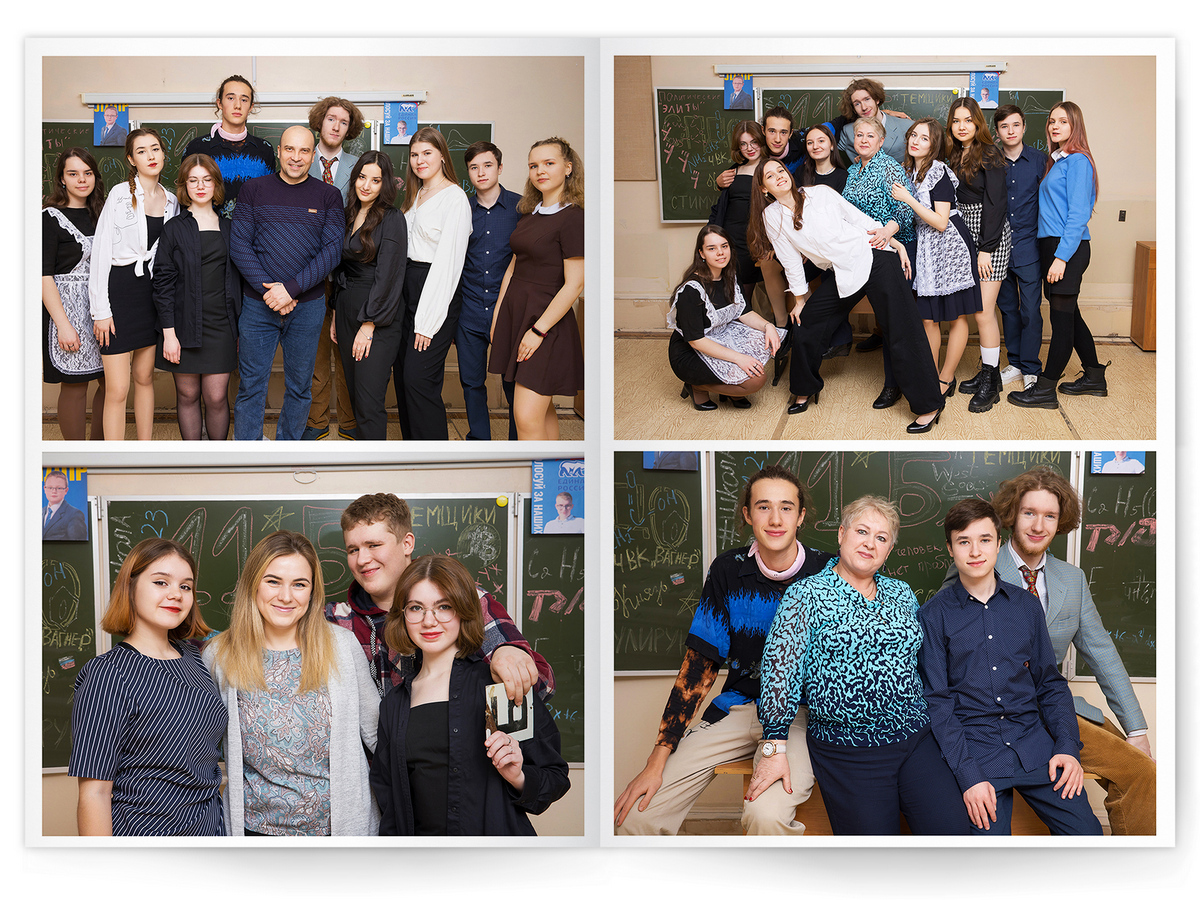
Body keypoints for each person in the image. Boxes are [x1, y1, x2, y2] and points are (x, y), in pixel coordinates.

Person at [615, 467, 833, 835]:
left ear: (801, 516)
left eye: (786, 507)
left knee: (766, 816)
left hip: (799, 717)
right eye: (763, 507)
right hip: (737, 709)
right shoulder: (727, 570)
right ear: (747, 514)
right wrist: (657, 758)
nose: (775, 519)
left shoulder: (829, 573)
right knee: (637, 816)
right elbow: (698, 668)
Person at [939, 466, 1156, 834]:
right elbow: (950, 634)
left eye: (1050, 515)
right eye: (1029, 512)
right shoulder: (978, 559)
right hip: (987, 722)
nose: (1038, 525)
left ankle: (1131, 862)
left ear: (1061, 521)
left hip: (1055, 711)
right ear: (1011, 514)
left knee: (1141, 770)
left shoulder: (1072, 580)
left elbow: (1102, 652)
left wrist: (1136, 727)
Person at [751, 495, 969, 835]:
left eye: (881, 538)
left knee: (952, 834)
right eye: (862, 531)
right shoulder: (806, 595)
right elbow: (780, 672)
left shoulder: (902, 593)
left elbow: (922, 662)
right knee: (873, 856)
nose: (870, 543)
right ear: (842, 534)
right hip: (849, 749)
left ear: (889, 550)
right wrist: (774, 746)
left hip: (915, 738)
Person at [919, 498, 1103, 835]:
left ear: (998, 543)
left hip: (1034, 747)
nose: (975, 551)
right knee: (988, 854)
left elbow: (1050, 684)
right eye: (964, 541)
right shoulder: (933, 616)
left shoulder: (1026, 607)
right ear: (950, 548)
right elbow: (938, 703)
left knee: (1088, 835)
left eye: (985, 539)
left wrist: (1066, 748)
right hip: (978, 755)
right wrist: (968, 776)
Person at [370, 555, 570, 835]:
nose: (429, 621)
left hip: (495, 856)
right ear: (403, 615)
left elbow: (555, 777)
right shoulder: (394, 705)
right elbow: (390, 801)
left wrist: (518, 776)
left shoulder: (498, 686)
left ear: (463, 610)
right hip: (421, 859)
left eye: (444, 607)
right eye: (416, 608)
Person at [747, 158, 943, 432]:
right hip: (843, 270)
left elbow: (857, 218)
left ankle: (929, 405)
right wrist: (800, 300)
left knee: (902, 329)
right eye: (770, 176)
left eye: (781, 170)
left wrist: (893, 242)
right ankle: (805, 389)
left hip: (874, 256)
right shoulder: (771, 216)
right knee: (806, 322)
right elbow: (790, 259)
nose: (779, 176)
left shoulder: (819, 193)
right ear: (763, 188)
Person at [203, 531, 378, 836]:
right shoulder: (220, 655)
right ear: (253, 584)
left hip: (340, 837)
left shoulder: (341, 646)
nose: (286, 596)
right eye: (273, 581)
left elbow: (378, 735)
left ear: (312, 592)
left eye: (299, 584)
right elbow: (198, 746)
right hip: (255, 836)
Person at [326, 492, 553, 702]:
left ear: (407, 544)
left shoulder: (462, 597)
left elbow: (543, 685)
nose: (362, 560)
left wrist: (508, 652)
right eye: (353, 550)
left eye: (374, 545)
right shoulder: (337, 621)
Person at [69, 538, 225, 835]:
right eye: (161, 582)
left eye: (185, 586)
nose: (175, 594)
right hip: (145, 840)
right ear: (130, 587)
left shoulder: (195, 658)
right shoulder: (107, 674)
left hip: (211, 835)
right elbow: (95, 793)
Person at [229, 125, 343, 441]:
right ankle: (249, 453)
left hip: (307, 308)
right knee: (251, 385)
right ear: (279, 152)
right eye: (289, 149)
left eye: (304, 150)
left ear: (313, 156)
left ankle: (287, 453)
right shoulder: (253, 190)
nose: (296, 157)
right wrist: (271, 291)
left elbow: (332, 251)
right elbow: (239, 245)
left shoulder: (329, 196)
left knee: (300, 386)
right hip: (258, 305)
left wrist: (290, 290)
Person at [1008, 102, 1107, 408]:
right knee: (1070, 315)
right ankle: (1094, 375)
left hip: (1067, 248)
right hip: (1051, 245)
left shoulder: (1078, 161)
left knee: (1061, 321)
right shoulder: (1058, 160)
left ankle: (1045, 389)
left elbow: (1078, 215)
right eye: (1052, 121)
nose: (1054, 126)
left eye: (1063, 121)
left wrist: (1061, 258)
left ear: (1075, 125)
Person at [487, 137, 585, 441]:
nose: (540, 170)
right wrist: (498, 317)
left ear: (568, 168)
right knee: (542, 411)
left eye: (549, 163)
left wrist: (538, 331)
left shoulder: (574, 217)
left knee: (526, 417)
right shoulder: (529, 213)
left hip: (546, 324)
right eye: (533, 165)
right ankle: (550, 467)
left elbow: (575, 284)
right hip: (517, 317)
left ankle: (537, 470)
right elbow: (513, 268)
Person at [90, 128, 178, 441]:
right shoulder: (118, 195)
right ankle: (114, 459)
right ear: (131, 159)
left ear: (163, 154)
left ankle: (144, 451)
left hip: (151, 295)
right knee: (117, 387)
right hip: (119, 293)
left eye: (155, 149)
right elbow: (100, 253)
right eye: (142, 151)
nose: (151, 156)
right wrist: (101, 310)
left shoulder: (172, 200)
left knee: (144, 377)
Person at [889, 119, 985, 407]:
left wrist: (909, 199)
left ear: (934, 145)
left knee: (956, 316)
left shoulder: (939, 172)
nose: (915, 141)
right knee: (928, 318)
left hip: (950, 246)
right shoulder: (909, 171)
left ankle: (946, 376)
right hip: (927, 249)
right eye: (913, 135)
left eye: (924, 138)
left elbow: (941, 222)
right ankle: (930, 375)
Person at [151, 154, 239, 440]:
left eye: (206, 180)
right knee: (187, 395)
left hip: (221, 326)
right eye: (193, 180)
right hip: (182, 325)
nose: (200, 186)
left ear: (216, 185)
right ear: (184, 186)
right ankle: (193, 457)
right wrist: (169, 334)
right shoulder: (174, 228)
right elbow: (163, 283)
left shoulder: (230, 227)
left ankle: (217, 459)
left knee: (216, 397)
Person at [396, 127, 472, 441]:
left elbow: (448, 265)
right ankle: (411, 453)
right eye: (414, 154)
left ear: (442, 155)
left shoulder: (454, 198)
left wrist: (427, 323)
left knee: (418, 379)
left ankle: (435, 455)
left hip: (435, 291)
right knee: (402, 378)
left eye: (427, 153)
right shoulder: (415, 194)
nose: (419, 160)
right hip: (407, 290)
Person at [329, 151, 407, 441]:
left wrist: (369, 323)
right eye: (362, 177)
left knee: (369, 400)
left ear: (385, 184)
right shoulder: (348, 214)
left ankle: (376, 465)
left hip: (376, 316)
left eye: (375, 180)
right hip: (346, 307)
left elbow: (390, 275)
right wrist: (335, 313)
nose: (366, 185)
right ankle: (363, 460)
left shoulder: (392, 218)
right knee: (355, 396)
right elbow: (339, 268)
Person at [839, 115, 916, 405]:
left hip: (894, 248)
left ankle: (894, 384)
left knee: (894, 321)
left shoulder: (889, 167)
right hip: (865, 250)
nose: (863, 140)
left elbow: (906, 209)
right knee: (882, 318)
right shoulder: (853, 170)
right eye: (859, 135)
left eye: (870, 136)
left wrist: (887, 232)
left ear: (881, 141)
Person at [666, 224, 782, 410]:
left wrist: (769, 326)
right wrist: (739, 358)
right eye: (712, 248)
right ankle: (697, 386)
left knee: (765, 337)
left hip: (722, 338)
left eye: (724, 246)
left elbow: (744, 312)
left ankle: (731, 389)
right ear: (701, 253)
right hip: (692, 352)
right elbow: (696, 341)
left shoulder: (729, 276)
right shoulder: (691, 290)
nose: (720, 252)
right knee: (756, 380)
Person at [304, 96, 365, 442]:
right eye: (331, 119)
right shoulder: (300, 159)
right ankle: (316, 422)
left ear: (349, 128)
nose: (336, 126)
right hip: (308, 273)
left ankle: (349, 422)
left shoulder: (359, 167)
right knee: (315, 354)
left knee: (346, 351)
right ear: (319, 121)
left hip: (347, 272)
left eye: (344, 121)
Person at [943, 97, 1008, 411]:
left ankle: (991, 382)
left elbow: (996, 205)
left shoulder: (990, 153)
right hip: (964, 235)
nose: (962, 126)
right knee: (973, 311)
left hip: (989, 237)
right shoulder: (955, 154)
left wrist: (986, 249)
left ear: (978, 122)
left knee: (983, 312)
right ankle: (988, 372)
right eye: (956, 121)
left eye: (968, 120)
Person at [457, 141, 523, 441]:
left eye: (487, 165)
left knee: (513, 384)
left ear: (500, 167)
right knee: (472, 383)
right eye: (474, 167)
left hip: (508, 312)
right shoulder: (461, 209)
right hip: (469, 311)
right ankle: (479, 440)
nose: (481, 172)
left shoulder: (522, 208)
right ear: (468, 172)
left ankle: (516, 444)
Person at [43, 147, 106, 440]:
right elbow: (42, 276)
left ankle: (98, 450)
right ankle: (75, 455)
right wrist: (63, 325)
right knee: (75, 384)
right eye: (73, 173)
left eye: (87, 173)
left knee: (111, 382)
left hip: (103, 309)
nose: (81, 180)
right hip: (67, 310)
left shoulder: (104, 213)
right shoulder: (49, 218)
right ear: (62, 179)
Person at [708, 122, 786, 328]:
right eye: (743, 144)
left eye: (754, 142)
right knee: (728, 292)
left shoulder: (771, 169)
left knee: (747, 296)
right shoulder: (732, 171)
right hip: (730, 239)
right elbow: (722, 205)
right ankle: (729, 333)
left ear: (762, 141)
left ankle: (757, 333)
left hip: (756, 241)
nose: (749, 148)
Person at [992, 104, 1048, 390]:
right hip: (998, 248)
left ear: (1024, 127)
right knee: (1007, 309)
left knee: (1031, 311)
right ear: (997, 131)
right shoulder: (990, 161)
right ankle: (1014, 363)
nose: (1011, 131)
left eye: (1016, 125)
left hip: (1029, 247)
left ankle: (1030, 368)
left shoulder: (1041, 161)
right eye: (1004, 126)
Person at [183, 75, 276, 218]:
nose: (237, 105)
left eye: (244, 100)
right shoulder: (197, 148)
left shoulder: (264, 150)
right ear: (219, 103)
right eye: (231, 98)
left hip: (253, 231)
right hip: (208, 230)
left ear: (251, 106)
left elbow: (269, 198)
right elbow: (185, 198)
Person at [836, 77, 909, 163]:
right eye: (857, 104)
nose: (864, 107)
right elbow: (823, 136)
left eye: (867, 99)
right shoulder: (848, 132)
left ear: (877, 99)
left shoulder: (906, 126)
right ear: (853, 109)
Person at [42, 470, 88, 540]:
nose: (54, 491)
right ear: (44, 489)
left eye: (59, 488)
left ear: (66, 490)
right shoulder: (40, 512)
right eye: (50, 487)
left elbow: (78, 544)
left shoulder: (75, 515)